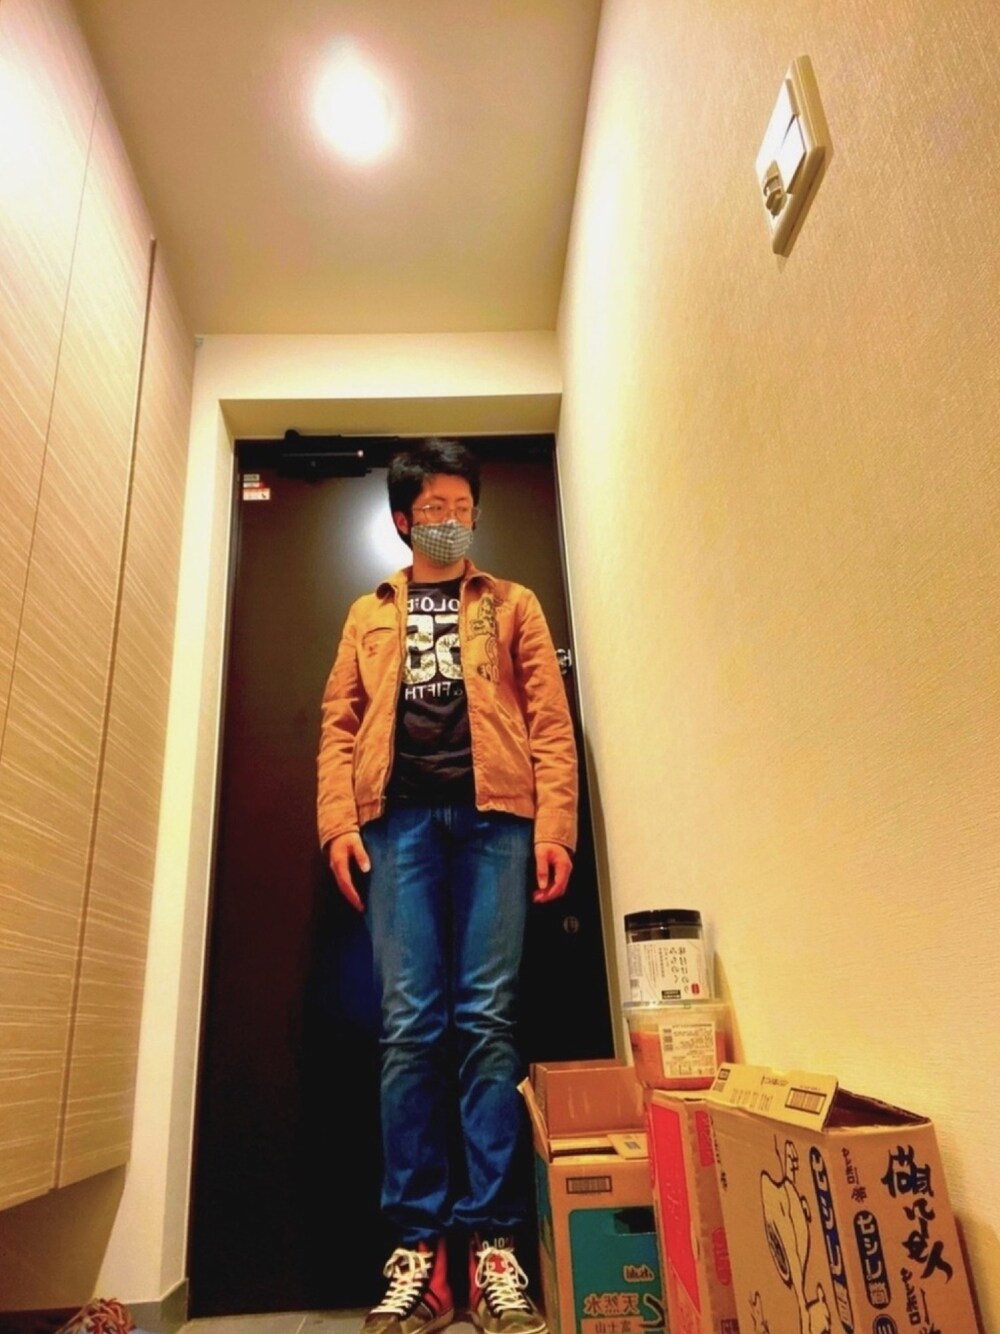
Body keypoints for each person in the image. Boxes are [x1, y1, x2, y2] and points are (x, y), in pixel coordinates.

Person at [317, 438, 577, 1334]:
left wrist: (556, 828)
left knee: (488, 1024)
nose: (449, 520)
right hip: (397, 830)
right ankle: (419, 1253)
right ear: (402, 518)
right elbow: (338, 723)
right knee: (408, 1030)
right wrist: (338, 825)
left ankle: (494, 1247)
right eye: (433, 508)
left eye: (462, 506)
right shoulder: (368, 613)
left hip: (497, 825)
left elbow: (550, 722)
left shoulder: (514, 604)